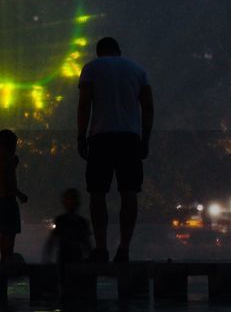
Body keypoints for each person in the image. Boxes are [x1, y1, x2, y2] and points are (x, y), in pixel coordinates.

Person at [77, 36, 154, 263]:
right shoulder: (138, 71)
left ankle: (101, 248)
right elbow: (148, 108)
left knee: (97, 193)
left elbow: (84, 104)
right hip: (129, 137)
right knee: (129, 193)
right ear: (119, 51)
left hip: (100, 136)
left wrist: (81, 136)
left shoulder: (91, 69)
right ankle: (124, 248)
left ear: (99, 51)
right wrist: (145, 138)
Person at [0, 129, 29, 264]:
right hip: (7, 200)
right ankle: (8, 257)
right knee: (10, 232)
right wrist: (20, 195)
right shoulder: (5, 162)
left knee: (4, 232)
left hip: (1, 199)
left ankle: (5, 257)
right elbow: (7, 182)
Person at [45, 188, 93, 267]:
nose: (71, 202)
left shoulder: (62, 220)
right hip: (68, 258)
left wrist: (47, 258)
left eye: (73, 199)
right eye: (70, 199)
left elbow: (51, 241)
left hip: (69, 258)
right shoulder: (80, 221)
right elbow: (87, 244)